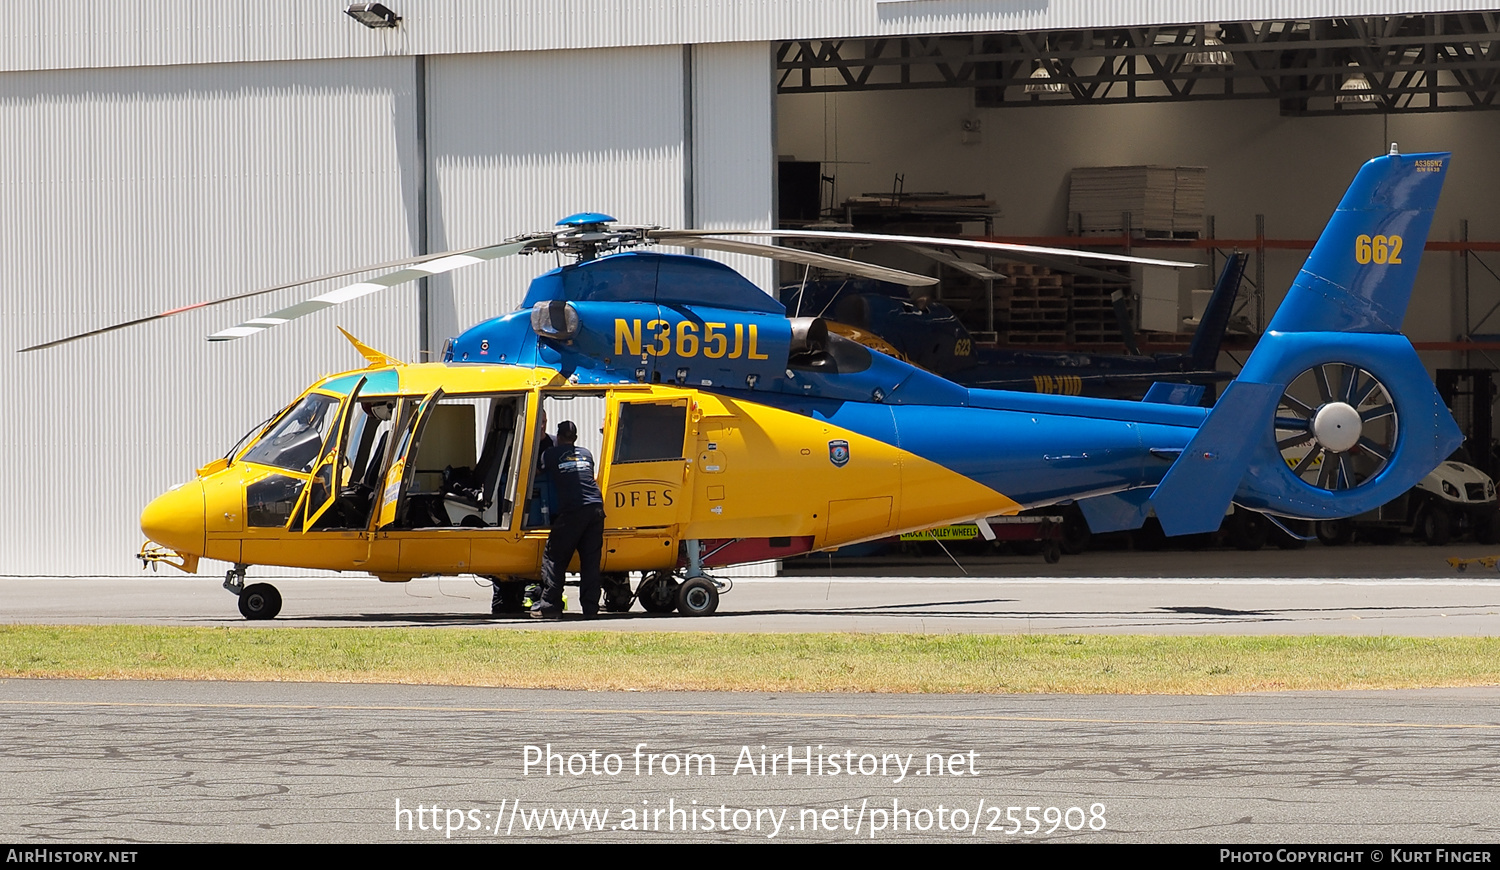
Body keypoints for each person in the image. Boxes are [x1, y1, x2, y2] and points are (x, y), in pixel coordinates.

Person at [533, 420, 605, 619]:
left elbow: (536, 472)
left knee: (554, 557)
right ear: (575, 438)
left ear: (558, 436)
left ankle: (550, 606)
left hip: (573, 511)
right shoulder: (587, 454)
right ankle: (591, 609)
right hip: (596, 508)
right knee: (590, 562)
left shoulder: (550, 454)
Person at [494, 409, 555, 615]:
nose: (542, 425)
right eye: (539, 421)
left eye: (544, 421)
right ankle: (505, 602)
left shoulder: (552, 444)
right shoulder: (518, 443)